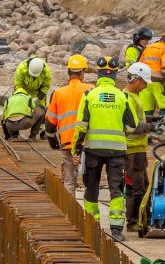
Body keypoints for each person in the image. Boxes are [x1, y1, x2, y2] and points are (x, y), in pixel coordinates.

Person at [72, 56, 138, 242]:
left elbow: (81, 127)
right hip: (117, 152)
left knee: (91, 187)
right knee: (116, 188)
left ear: (99, 75)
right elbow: (132, 126)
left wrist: (76, 151)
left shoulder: (89, 95)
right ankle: (116, 229)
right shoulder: (123, 96)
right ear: (115, 75)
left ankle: (92, 228)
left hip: (93, 150)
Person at [45, 55, 94, 195]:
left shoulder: (58, 93)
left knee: (69, 182)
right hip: (89, 143)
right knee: (90, 182)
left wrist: (53, 141)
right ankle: (90, 213)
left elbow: (49, 124)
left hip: (68, 144)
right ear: (83, 72)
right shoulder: (91, 90)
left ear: (68, 72)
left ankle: (70, 213)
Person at [122, 62, 153, 230]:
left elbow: (136, 120)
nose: (146, 85)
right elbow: (131, 127)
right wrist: (150, 127)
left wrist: (150, 121)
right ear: (136, 79)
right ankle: (134, 222)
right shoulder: (127, 98)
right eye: (144, 82)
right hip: (132, 150)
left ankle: (141, 218)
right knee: (136, 187)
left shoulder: (134, 97)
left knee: (144, 186)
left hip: (138, 149)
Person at [138, 31, 165, 118]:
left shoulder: (148, 47)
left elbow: (139, 64)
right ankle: (158, 130)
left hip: (144, 82)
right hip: (157, 82)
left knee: (147, 110)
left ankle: (147, 130)